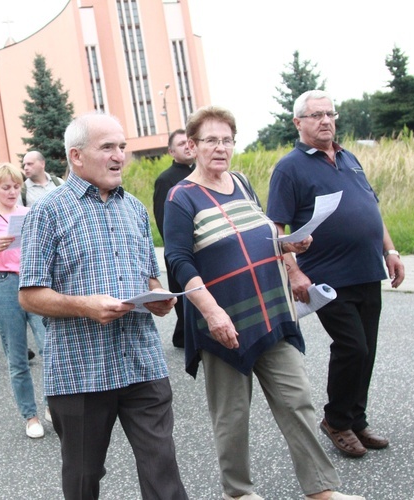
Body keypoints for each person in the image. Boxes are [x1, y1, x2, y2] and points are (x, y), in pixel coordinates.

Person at [164, 106, 363, 500]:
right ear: (192, 146)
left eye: (227, 140)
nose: (220, 148)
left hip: (271, 311)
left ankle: (321, 489)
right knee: (232, 417)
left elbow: (262, 235)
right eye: (210, 140)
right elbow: (178, 260)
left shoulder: (240, 182)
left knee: (297, 401)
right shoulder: (180, 197)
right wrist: (211, 310)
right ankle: (238, 492)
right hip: (225, 322)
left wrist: (288, 249)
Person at [19, 112, 188, 499]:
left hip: (141, 361)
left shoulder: (135, 210)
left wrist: (157, 295)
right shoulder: (48, 211)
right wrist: (84, 306)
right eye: (108, 147)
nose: (120, 156)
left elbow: (149, 276)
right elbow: (29, 294)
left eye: (123, 147)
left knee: (163, 471)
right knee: (83, 477)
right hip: (81, 370)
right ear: (76, 156)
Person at [266, 89, 405, 459]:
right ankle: (337, 421)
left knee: (367, 349)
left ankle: (356, 418)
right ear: (298, 123)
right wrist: (294, 273)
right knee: (352, 347)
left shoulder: (349, 157)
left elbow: (371, 209)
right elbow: (275, 227)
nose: (326, 120)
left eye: (330, 113)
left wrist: (389, 250)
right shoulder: (289, 167)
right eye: (316, 115)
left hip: (366, 270)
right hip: (326, 277)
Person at [0, 163, 47, 438]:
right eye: (6, 187)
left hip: (33, 281)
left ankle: (53, 404)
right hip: (3, 284)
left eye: (16, 186)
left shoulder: (28, 213)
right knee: (17, 356)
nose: (13, 191)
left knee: (48, 346)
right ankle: (31, 416)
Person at [153, 129, 195, 348]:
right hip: (181, 249)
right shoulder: (165, 179)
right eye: (181, 144)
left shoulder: (200, 172)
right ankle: (186, 337)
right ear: (171, 151)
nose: (187, 146)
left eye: (189, 142)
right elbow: (163, 220)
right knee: (185, 297)